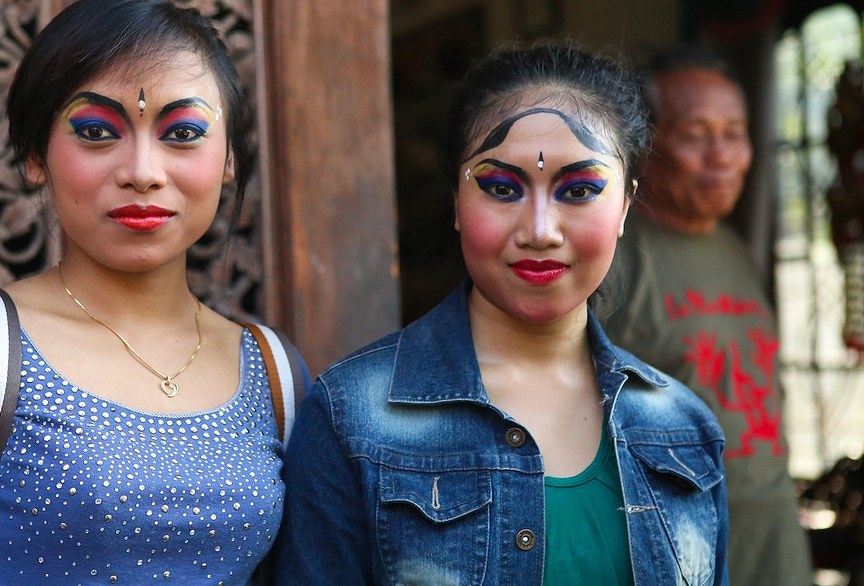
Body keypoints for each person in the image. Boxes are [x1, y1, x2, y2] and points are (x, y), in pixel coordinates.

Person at [0, 0, 305, 585]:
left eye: (184, 132)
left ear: (228, 159)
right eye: (96, 131)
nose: (142, 171)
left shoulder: (274, 373)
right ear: (36, 155)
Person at [271, 44, 729, 585]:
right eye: (500, 188)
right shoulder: (350, 418)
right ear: (457, 204)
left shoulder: (683, 430)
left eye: (579, 190)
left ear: (626, 206)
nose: (539, 230)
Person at [598, 46, 813, 586]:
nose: (722, 155)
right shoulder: (612, 260)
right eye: (696, 134)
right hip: (674, 541)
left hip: (773, 532)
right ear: (645, 145)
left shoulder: (736, 250)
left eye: (734, 132)